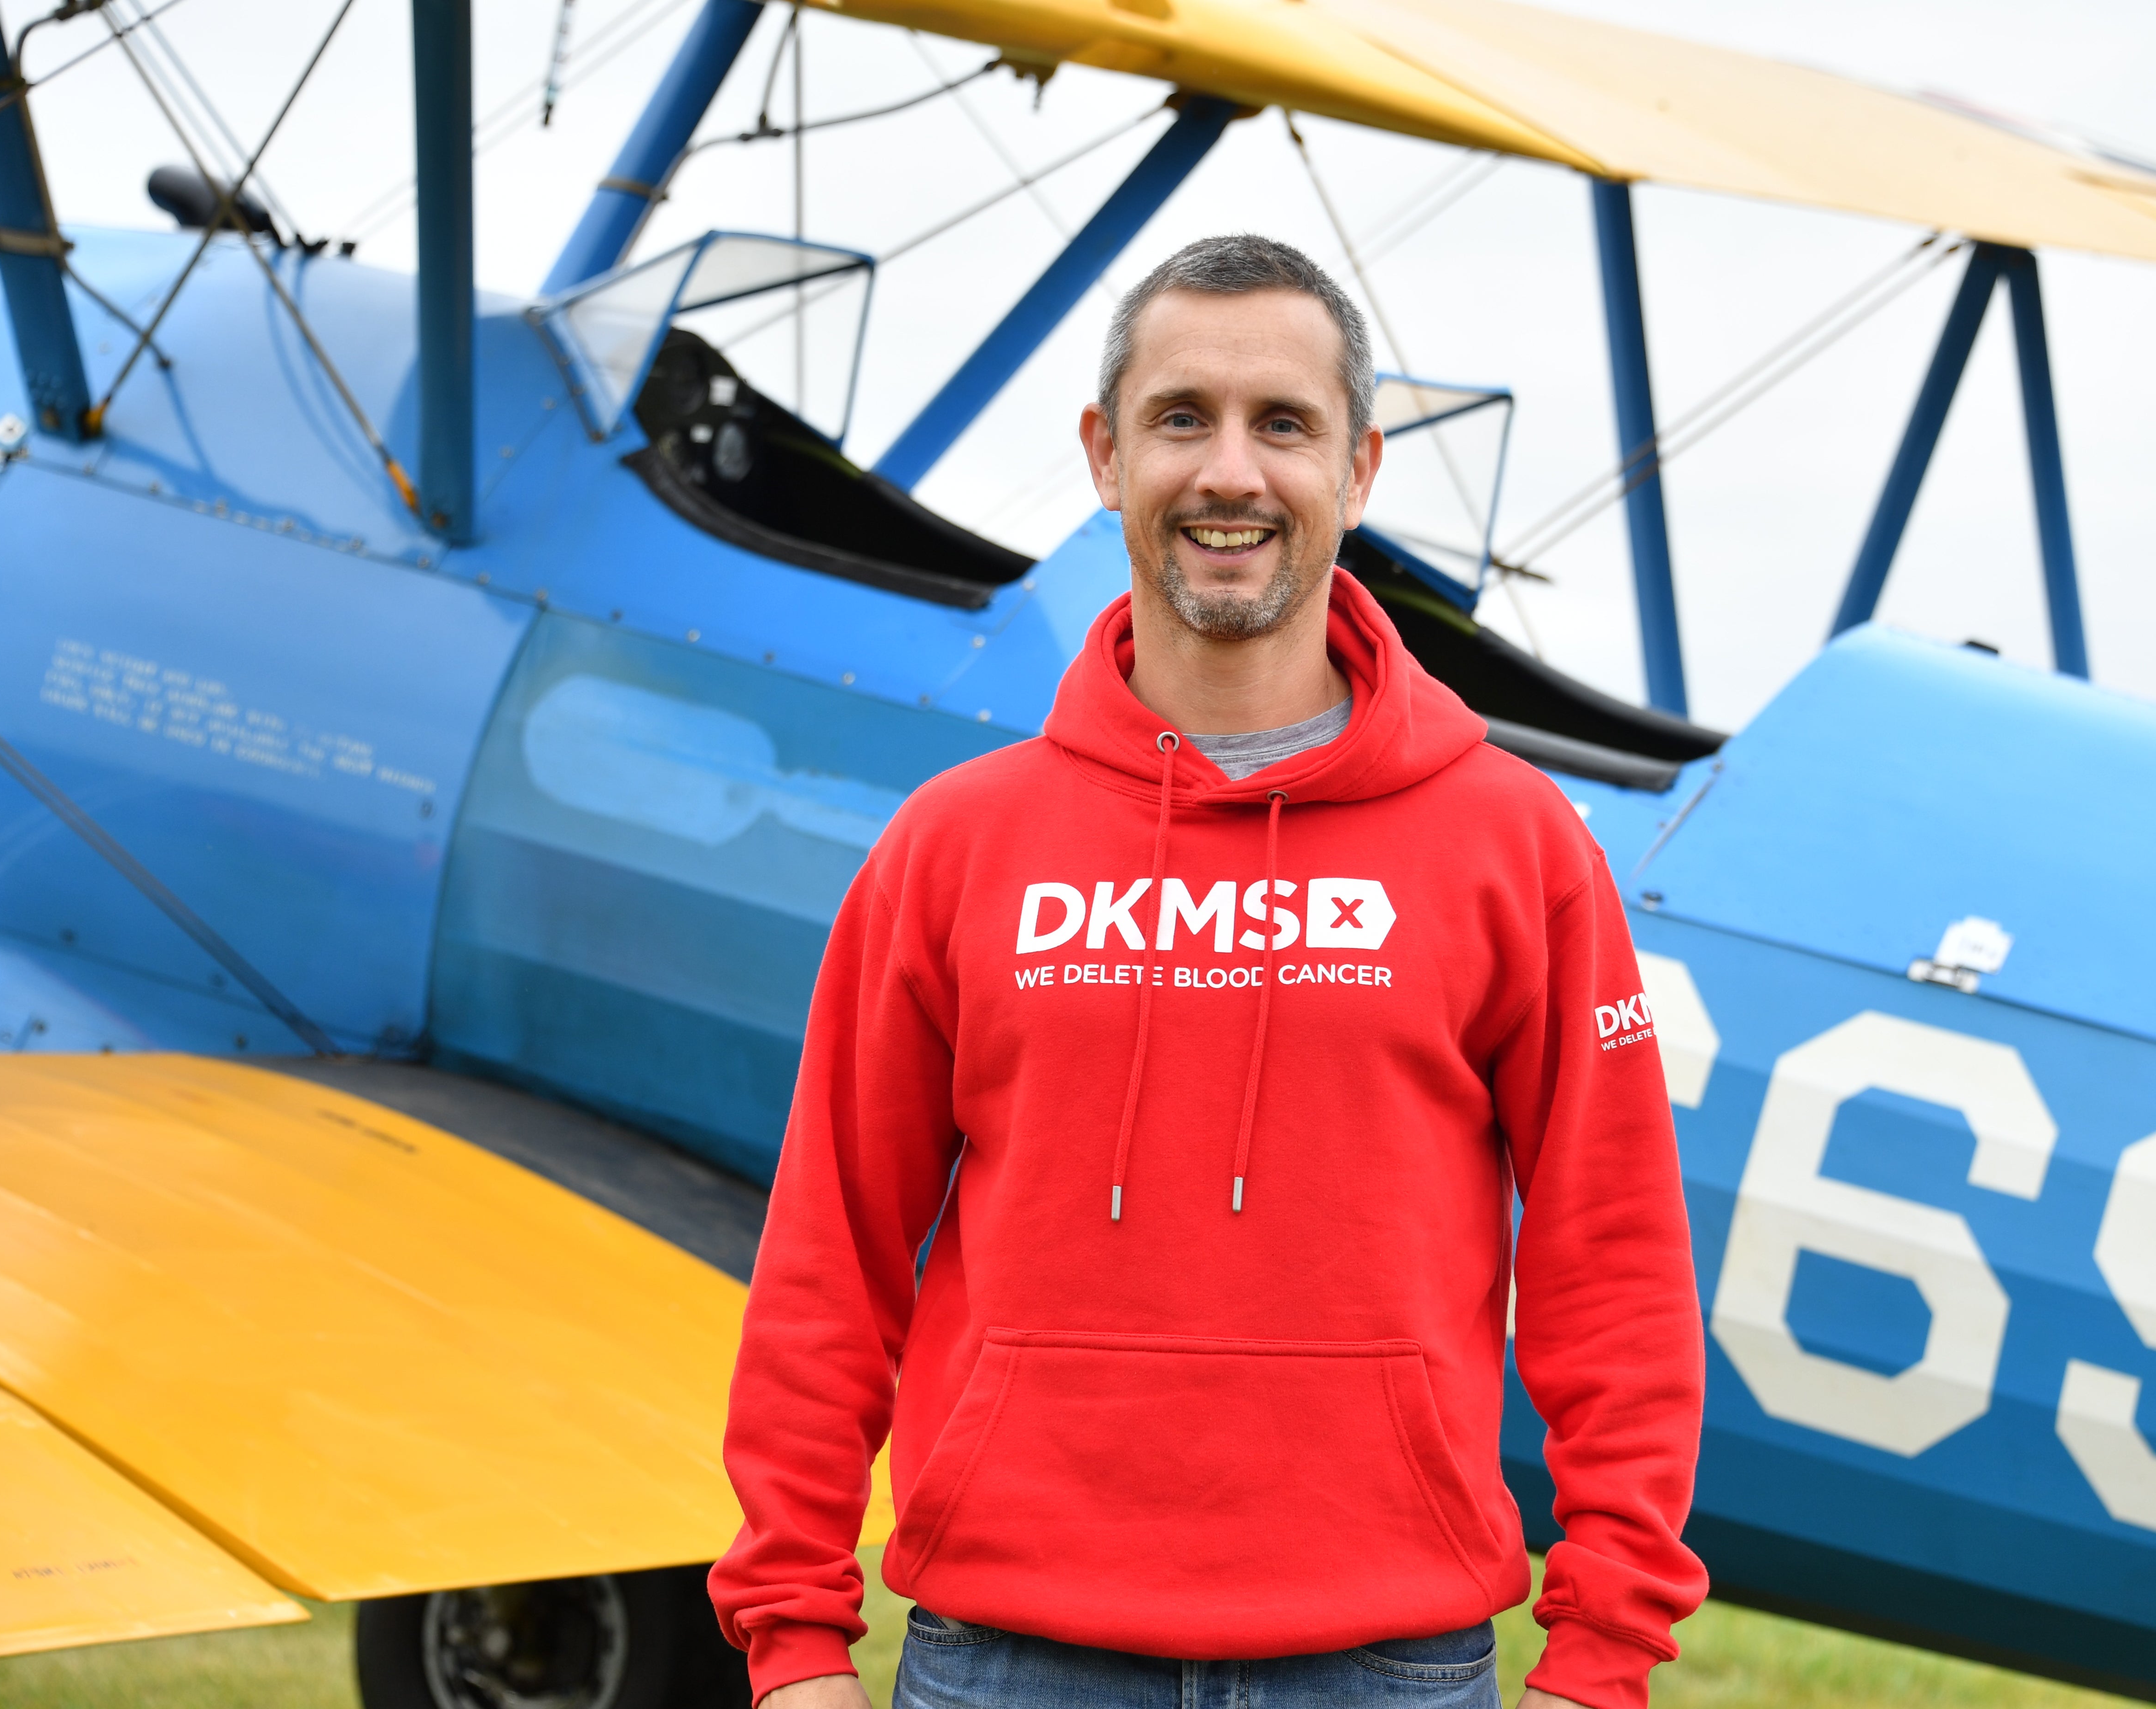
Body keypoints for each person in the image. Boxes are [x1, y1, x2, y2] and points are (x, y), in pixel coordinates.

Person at [711, 233, 1707, 1709]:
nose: (1231, 473)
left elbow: (1611, 1262)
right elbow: (828, 1260)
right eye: (1183, 418)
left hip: (1386, 1666)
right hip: (1004, 1662)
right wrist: (794, 1643)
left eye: (1283, 424)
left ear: (1360, 472)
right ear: (1107, 456)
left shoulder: (1516, 846)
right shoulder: (955, 848)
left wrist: (1603, 1653)